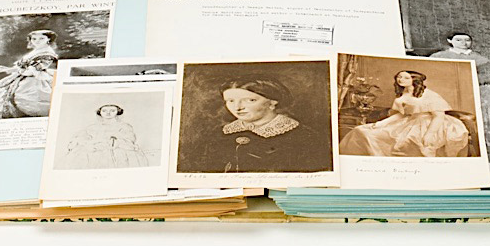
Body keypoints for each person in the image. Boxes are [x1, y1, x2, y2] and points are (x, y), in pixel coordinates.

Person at [187, 78, 331, 173]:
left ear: (272, 102)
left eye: (250, 100)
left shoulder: (304, 137)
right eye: (230, 101)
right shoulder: (217, 134)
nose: (238, 107)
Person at [338, 70, 470, 157]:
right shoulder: (403, 94)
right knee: (362, 131)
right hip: (410, 121)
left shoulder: (428, 94)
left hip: (433, 124)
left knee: (410, 142)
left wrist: (430, 134)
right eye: (399, 77)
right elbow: (402, 114)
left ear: (415, 80)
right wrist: (381, 123)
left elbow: (438, 116)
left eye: (406, 77)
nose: (401, 79)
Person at [0, 30, 58, 121]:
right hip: (22, 76)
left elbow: (31, 71)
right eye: (34, 39)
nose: (37, 41)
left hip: (35, 79)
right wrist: (12, 69)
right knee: (0, 93)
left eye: (41, 38)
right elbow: (23, 65)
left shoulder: (47, 53)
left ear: (48, 39)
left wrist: (17, 70)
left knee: (28, 99)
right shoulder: (36, 50)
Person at [64, 104, 149, 169]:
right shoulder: (93, 127)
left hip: (119, 151)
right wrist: (87, 143)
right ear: (100, 112)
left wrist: (116, 142)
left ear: (118, 111)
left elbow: (130, 139)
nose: (108, 113)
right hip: (96, 151)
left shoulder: (124, 126)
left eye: (112, 110)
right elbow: (83, 137)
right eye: (104, 110)